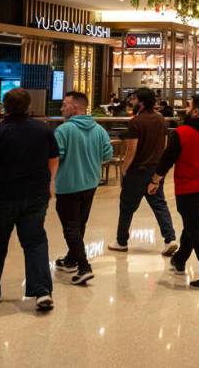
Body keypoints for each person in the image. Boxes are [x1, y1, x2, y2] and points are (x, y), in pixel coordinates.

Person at [0, 88, 58, 312]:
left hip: (2, 197)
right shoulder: (44, 130)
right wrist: (49, 183)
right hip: (36, 196)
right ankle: (42, 292)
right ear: (28, 106)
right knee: (35, 241)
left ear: (4, 106)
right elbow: (54, 159)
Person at [148, 94, 199, 290]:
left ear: (196, 111)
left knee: (197, 229)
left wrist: (155, 180)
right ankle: (179, 260)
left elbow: (167, 159)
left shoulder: (182, 133)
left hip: (188, 188)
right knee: (192, 224)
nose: (185, 108)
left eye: (188, 106)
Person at [52, 91, 113, 285]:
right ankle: (71, 259)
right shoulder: (99, 130)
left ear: (75, 108)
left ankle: (84, 266)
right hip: (91, 183)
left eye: (64, 105)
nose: (62, 108)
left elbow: (55, 158)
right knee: (79, 224)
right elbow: (107, 155)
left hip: (68, 185)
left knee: (70, 226)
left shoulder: (63, 131)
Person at [109, 87, 178, 255]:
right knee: (159, 204)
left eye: (134, 99)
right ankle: (170, 239)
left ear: (141, 102)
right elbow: (164, 145)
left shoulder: (136, 122)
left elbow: (131, 151)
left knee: (127, 206)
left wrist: (124, 169)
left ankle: (121, 240)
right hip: (155, 169)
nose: (131, 102)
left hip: (137, 170)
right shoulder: (161, 120)